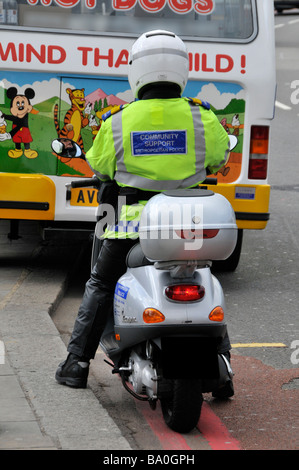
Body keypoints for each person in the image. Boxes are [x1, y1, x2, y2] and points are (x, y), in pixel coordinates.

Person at [55, 30, 234, 398]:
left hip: (133, 223)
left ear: (136, 72)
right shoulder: (202, 117)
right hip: (191, 225)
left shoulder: (119, 120)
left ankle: (76, 364)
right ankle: (224, 372)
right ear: (183, 71)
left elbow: (101, 166)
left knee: (101, 284)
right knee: (203, 277)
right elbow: (219, 157)